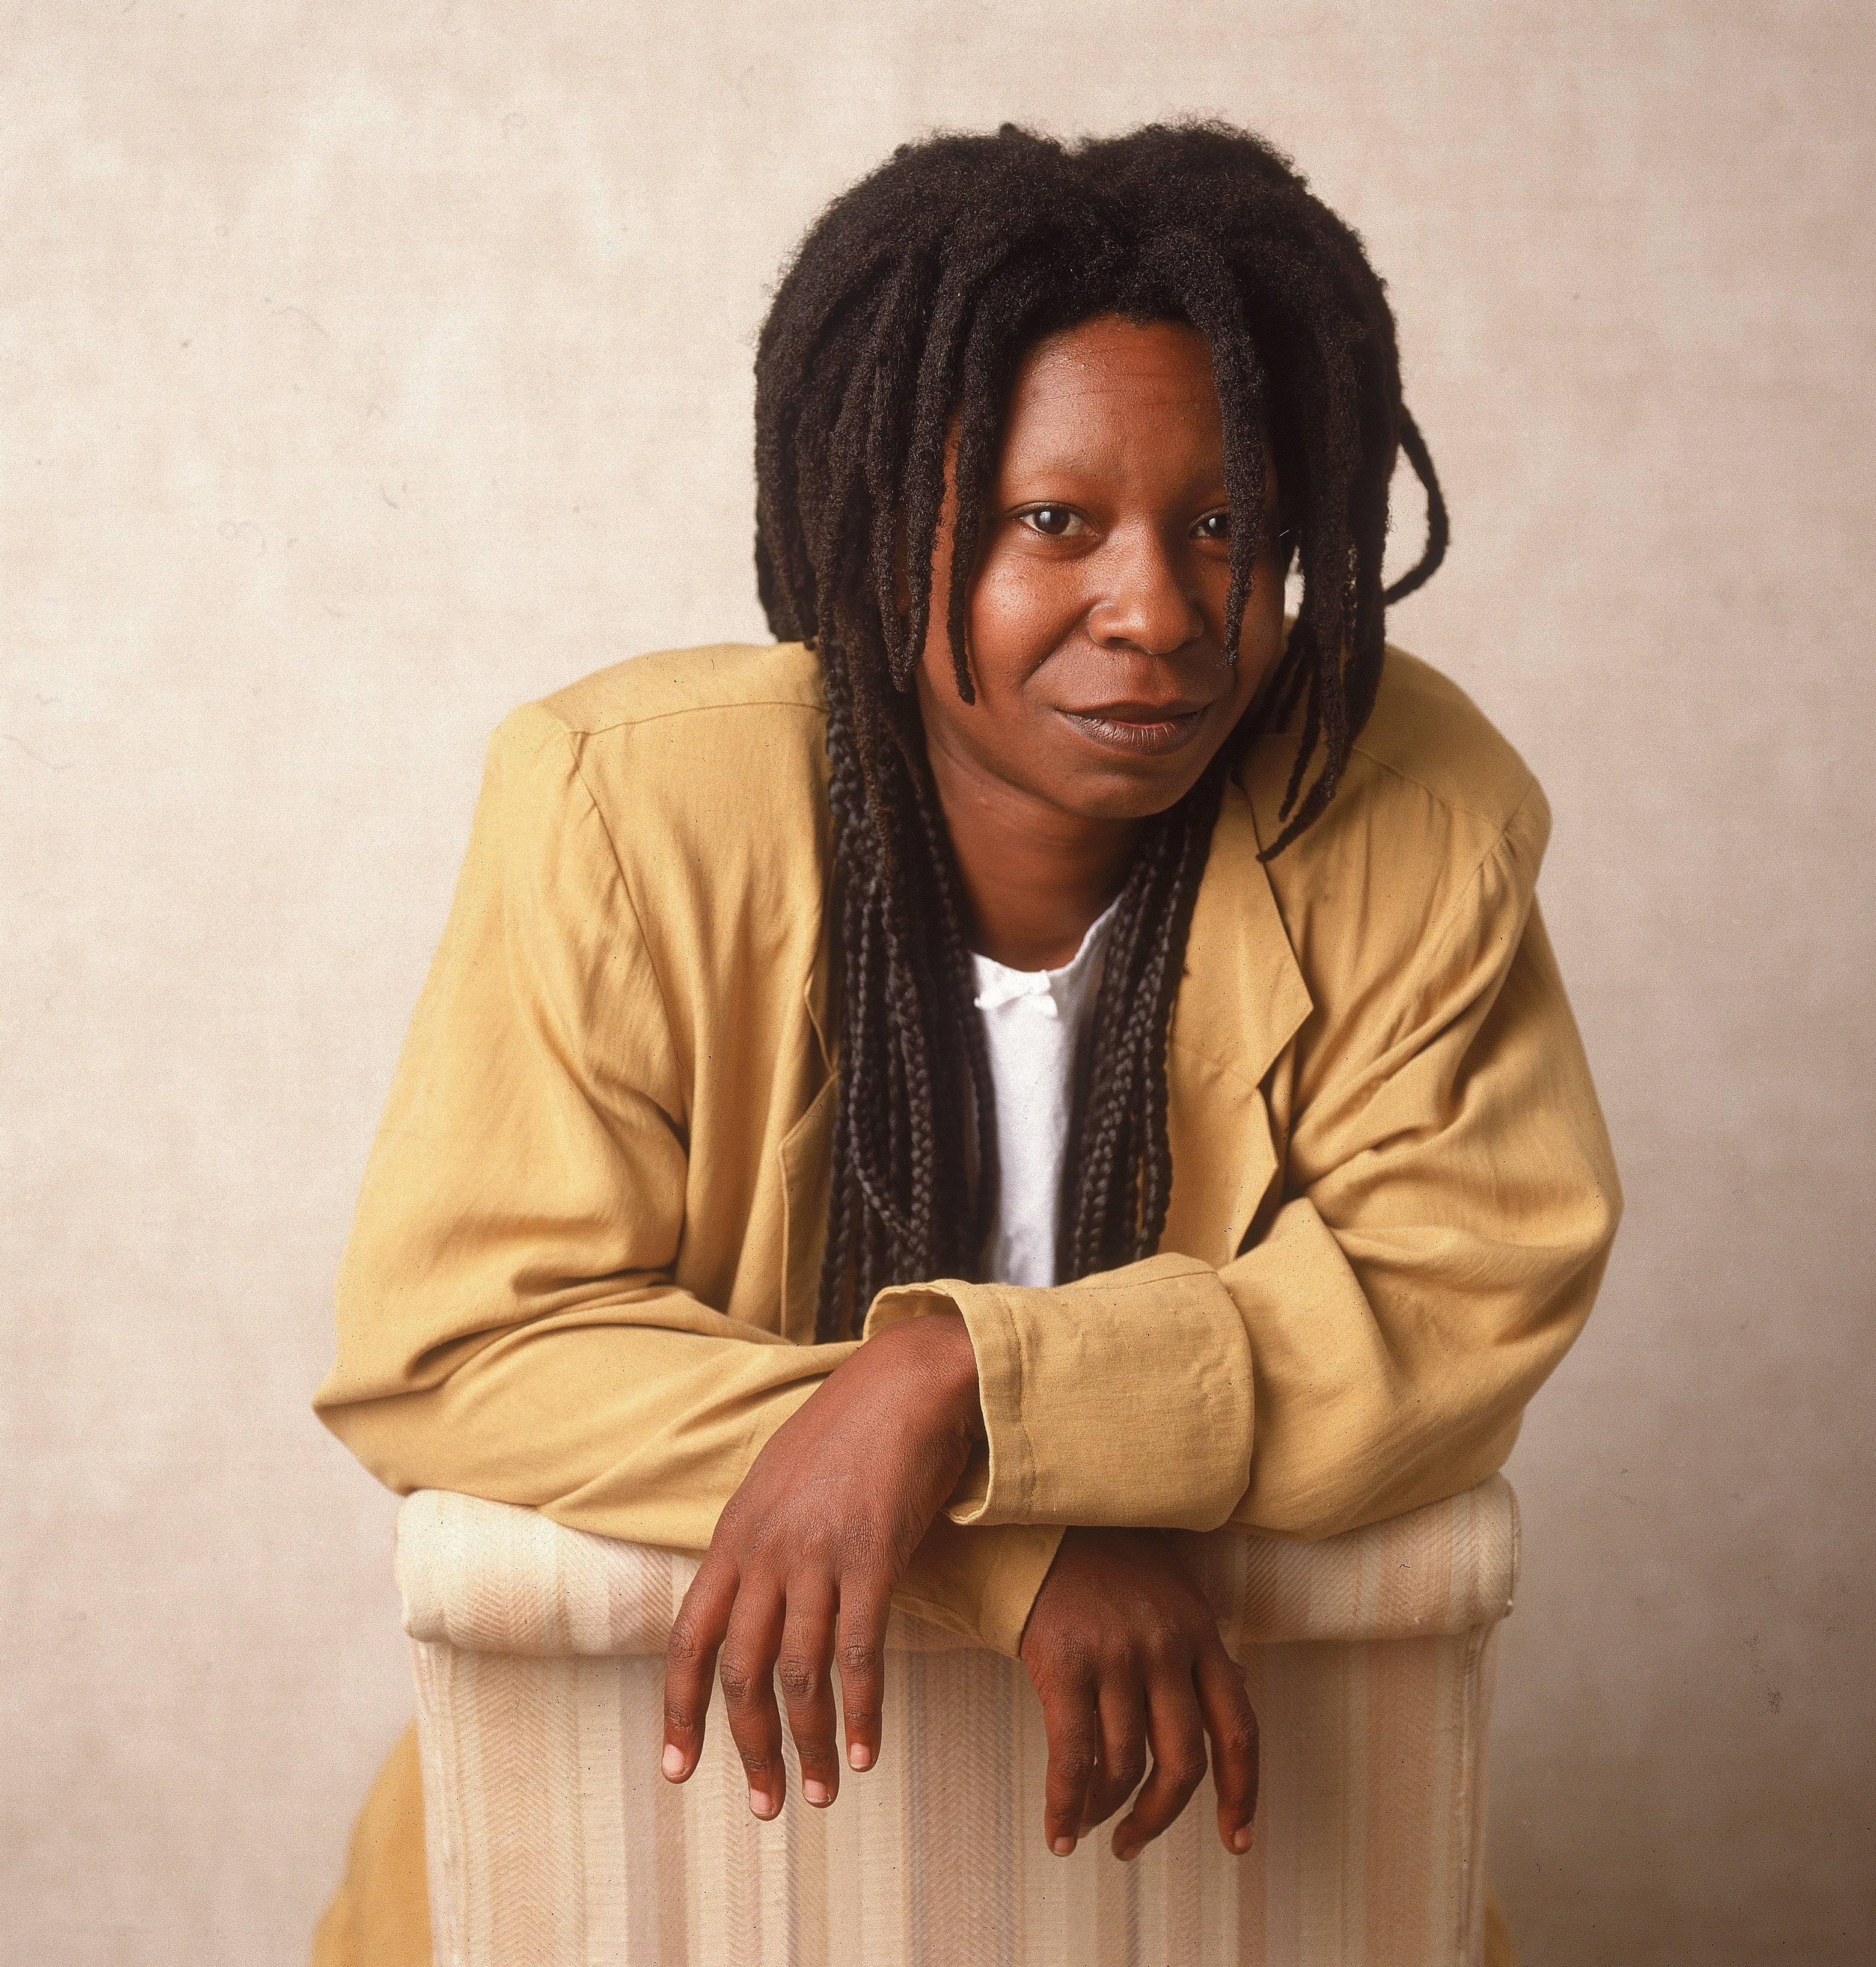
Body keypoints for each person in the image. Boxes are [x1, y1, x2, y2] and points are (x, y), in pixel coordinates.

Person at [311, 121, 1620, 1965]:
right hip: (661, 1849)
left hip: (1230, 1866)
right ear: (877, 515)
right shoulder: (622, 804)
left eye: (1227, 523)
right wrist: (1021, 1533)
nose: (1157, 610)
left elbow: (1449, 1303)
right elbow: (462, 1346)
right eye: (1050, 520)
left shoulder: (1403, 802)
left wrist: (946, 1389)